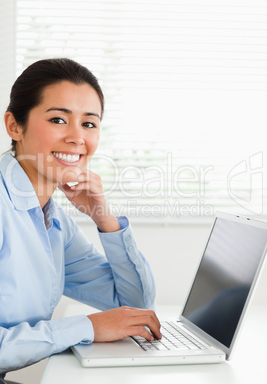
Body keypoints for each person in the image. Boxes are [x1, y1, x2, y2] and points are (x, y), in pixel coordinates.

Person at [0, 58, 161, 376]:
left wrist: (105, 219)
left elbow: (135, 304)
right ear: (14, 126)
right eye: (59, 119)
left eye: (89, 124)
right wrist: (86, 327)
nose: (77, 138)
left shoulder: (51, 219)